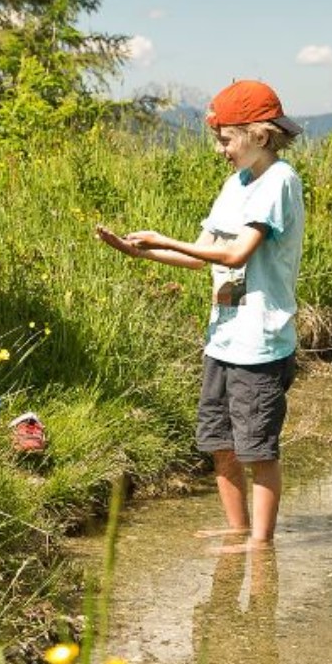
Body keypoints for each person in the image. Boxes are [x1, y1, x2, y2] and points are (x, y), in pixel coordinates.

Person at [96, 79, 305, 548]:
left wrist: (163, 239)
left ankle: (260, 543)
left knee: (258, 448)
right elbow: (203, 254)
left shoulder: (280, 181)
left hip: (261, 341)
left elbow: (236, 256)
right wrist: (140, 253)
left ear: (260, 134)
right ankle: (237, 529)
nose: (220, 149)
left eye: (226, 139)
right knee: (220, 441)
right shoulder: (235, 184)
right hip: (224, 338)